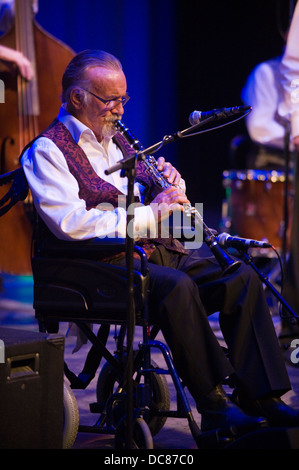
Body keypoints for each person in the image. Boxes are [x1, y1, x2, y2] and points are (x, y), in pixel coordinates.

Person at [21, 49, 299, 437]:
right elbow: (72, 224)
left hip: (150, 256)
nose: (119, 109)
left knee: (239, 276)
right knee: (177, 287)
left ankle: (265, 396)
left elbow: (159, 203)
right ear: (76, 98)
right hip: (97, 266)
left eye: (124, 99)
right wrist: (153, 212)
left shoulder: (118, 140)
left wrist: (173, 186)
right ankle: (215, 404)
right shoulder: (47, 151)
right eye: (110, 100)